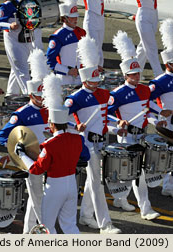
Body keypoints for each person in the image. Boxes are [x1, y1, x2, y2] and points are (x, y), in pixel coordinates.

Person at [14, 73, 90, 234]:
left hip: (55, 186)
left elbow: (36, 169)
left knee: (47, 227)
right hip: (72, 185)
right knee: (70, 226)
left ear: (51, 124)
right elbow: (85, 157)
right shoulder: (77, 139)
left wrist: (22, 155)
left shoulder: (49, 145)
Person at [64, 36, 122, 234]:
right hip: (84, 144)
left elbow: (106, 120)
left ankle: (86, 215)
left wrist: (117, 126)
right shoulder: (75, 98)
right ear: (84, 80)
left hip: (100, 142)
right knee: (97, 183)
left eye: (97, 81)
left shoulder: (104, 94)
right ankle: (105, 224)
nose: (96, 85)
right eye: (92, 81)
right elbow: (61, 120)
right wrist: (76, 125)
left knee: (93, 181)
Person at [108, 30, 167, 220]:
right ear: (125, 75)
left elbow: (148, 110)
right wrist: (118, 123)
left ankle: (124, 200)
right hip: (125, 136)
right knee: (132, 172)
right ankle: (144, 207)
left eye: (137, 73)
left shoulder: (144, 89)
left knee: (135, 171)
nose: (136, 76)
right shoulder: (116, 94)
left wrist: (158, 118)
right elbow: (105, 115)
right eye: (132, 74)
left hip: (141, 134)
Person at [0, 49, 49, 233]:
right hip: (32, 161)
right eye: (40, 96)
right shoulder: (22, 114)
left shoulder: (50, 109)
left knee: (39, 199)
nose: (43, 100)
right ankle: (44, 231)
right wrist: (18, 150)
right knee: (38, 199)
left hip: (49, 158)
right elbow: (3, 135)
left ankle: (28, 232)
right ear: (32, 95)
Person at [0, 0, 43, 96]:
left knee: (17, 68)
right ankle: (30, 96)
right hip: (14, 41)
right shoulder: (7, 5)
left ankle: (11, 95)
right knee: (22, 70)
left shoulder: (32, 3)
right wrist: (9, 25)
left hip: (28, 39)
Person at [149, 18, 173, 197]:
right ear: (168, 64)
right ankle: (167, 185)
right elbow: (146, 101)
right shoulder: (159, 82)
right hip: (169, 121)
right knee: (169, 153)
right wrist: (159, 112)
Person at [46, 0, 86, 86]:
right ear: (64, 19)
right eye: (72, 17)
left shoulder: (82, 32)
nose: (75, 20)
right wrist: (67, 71)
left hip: (81, 77)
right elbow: (49, 61)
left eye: (76, 17)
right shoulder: (57, 36)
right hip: (64, 79)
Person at [135, 0, 163, 78]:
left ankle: (135, 72)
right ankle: (159, 75)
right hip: (143, 15)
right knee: (151, 47)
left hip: (154, 14)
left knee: (143, 47)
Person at [82, 0, 105, 69]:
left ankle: (98, 72)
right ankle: (92, 73)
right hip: (91, 19)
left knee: (99, 48)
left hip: (100, 19)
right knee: (93, 50)